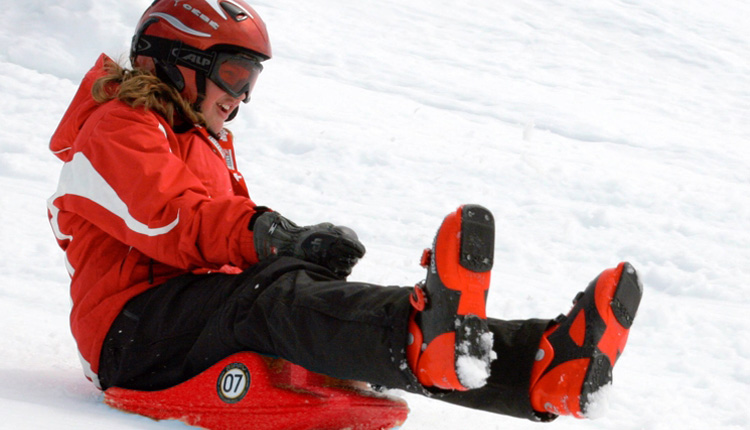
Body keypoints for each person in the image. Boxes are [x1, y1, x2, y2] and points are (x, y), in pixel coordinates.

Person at [47, 0, 643, 422]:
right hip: (131, 336)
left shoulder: (201, 140)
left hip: (189, 319)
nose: (242, 95)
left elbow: (216, 236)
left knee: (296, 297)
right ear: (177, 60)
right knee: (269, 294)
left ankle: (539, 367)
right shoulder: (113, 128)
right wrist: (272, 237)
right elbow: (170, 219)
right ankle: (421, 337)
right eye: (233, 73)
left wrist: (296, 247)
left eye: (251, 78)